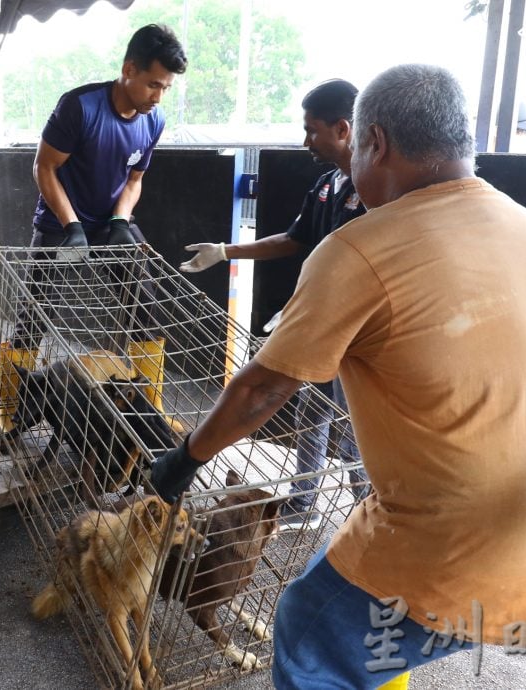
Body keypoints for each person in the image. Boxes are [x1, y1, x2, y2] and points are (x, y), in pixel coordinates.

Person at [150, 64, 526, 688]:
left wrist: (182, 461)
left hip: (459, 532)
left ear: (374, 142)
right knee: (369, 625)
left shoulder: (361, 246)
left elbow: (262, 389)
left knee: (310, 631)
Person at [180, 78, 370, 525]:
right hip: (320, 323)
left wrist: (312, 303)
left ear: (342, 129)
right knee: (317, 409)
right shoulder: (328, 184)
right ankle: (305, 504)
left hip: (354, 331)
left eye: (312, 130)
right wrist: (226, 251)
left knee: (352, 425)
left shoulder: (376, 188)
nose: (306, 141)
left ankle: (369, 515)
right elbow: (293, 238)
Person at [0, 24, 187, 431]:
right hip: (61, 223)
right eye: (153, 84)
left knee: (145, 308)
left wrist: (120, 220)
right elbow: (44, 168)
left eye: (166, 88)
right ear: (128, 69)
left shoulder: (154, 121)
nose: (158, 96)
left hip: (111, 223)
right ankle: (11, 412)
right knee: (35, 314)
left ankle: (149, 413)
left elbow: (134, 180)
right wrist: (72, 226)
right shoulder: (80, 107)